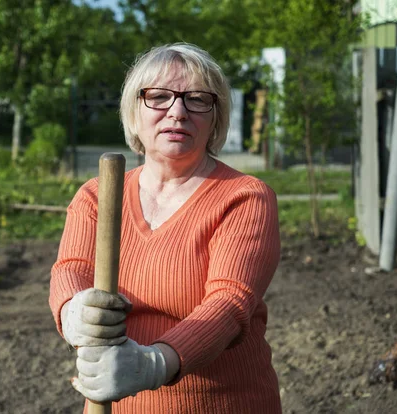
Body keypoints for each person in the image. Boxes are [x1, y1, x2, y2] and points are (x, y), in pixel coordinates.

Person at [49, 42, 282, 414]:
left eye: (197, 99)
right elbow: (71, 269)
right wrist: (73, 312)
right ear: (133, 111)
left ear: (216, 117)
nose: (178, 111)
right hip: (116, 403)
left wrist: (152, 364)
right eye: (158, 97)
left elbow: (229, 305)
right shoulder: (97, 197)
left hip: (221, 404)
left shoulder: (244, 198)